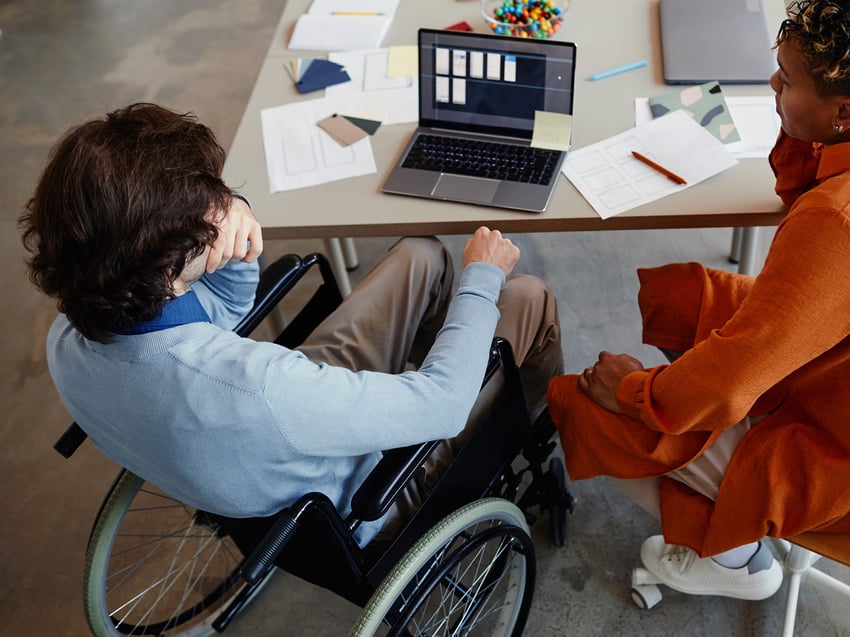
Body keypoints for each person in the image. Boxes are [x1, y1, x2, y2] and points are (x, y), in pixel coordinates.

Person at [20, 102, 562, 547]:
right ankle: (533, 428)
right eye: (211, 205)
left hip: (268, 433)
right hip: (374, 485)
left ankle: (441, 354)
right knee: (527, 297)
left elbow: (220, 317)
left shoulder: (72, 335)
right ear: (167, 265)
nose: (222, 203)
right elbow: (441, 406)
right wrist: (481, 279)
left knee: (421, 253)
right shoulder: (254, 385)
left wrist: (232, 217)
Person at [547, 0, 850, 602]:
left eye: (786, 82)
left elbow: (733, 381)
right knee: (684, 293)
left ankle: (736, 558)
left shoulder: (836, 222)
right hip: (830, 364)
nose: (772, 84)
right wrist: (800, 122)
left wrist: (638, 393)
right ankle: (718, 504)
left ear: (843, 111)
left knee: (586, 402)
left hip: (832, 446)